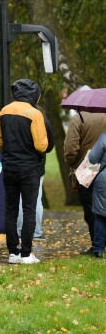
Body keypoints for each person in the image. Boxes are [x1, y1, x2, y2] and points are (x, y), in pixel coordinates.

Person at [0, 79, 49, 265]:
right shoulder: (35, 113)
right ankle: (26, 254)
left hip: (9, 167)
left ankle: (12, 253)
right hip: (29, 168)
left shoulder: (4, 110)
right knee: (29, 210)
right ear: (33, 94)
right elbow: (41, 145)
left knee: (10, 210)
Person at [64, 109, 106, 254]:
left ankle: (97, 245)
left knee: (91, 210)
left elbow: (70, 148)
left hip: (86, 171)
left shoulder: (79, 118)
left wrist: (72, 163)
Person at [17, 108, 54, 240]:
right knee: (36, 198)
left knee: (20, 198)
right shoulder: (44, 120)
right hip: (38, 165)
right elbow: (49, 146)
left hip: (20, 163)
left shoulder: (19, 118)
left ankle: (20, 230)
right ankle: (36, 231)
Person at [87, 132, 106, 258]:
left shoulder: (104, 136)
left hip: (105, 178)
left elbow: (92, 158)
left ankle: (98, 248)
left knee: (100, 213)